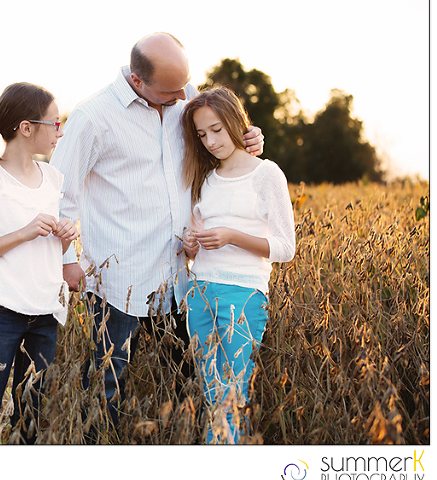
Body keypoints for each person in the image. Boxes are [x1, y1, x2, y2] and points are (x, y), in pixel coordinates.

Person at [49, 33, 264, 431]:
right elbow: (60, 194)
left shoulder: (185, 97)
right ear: (137, 80)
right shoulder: (93, 117)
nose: (183, 95)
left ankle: (183, 443)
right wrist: (66, 260)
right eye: (170, 91)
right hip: (119, 281)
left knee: (190, 380)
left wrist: (247, 140)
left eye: (185, 84)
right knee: (106, 384)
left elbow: (217, 144)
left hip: (181, 276)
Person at [0, 82, 79, 444]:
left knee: (32, 413)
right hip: (2, 312)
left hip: (46, 312)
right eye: (54, 123)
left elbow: (51, 253)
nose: (60, 132)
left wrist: (66, 236)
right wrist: (23, 233)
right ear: (26, 128)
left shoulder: (53, 178)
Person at [180, 86, 295, 444]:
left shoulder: (267, 174)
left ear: (235, 121)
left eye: (216, 129)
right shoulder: (205, 179)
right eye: (202, 135)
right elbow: (195, 244)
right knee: (212, 392)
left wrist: (232, 236)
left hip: (244, 294)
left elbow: (285, 248)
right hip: (199, 292)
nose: (211, 141)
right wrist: (190, 246)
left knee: (232, 391)